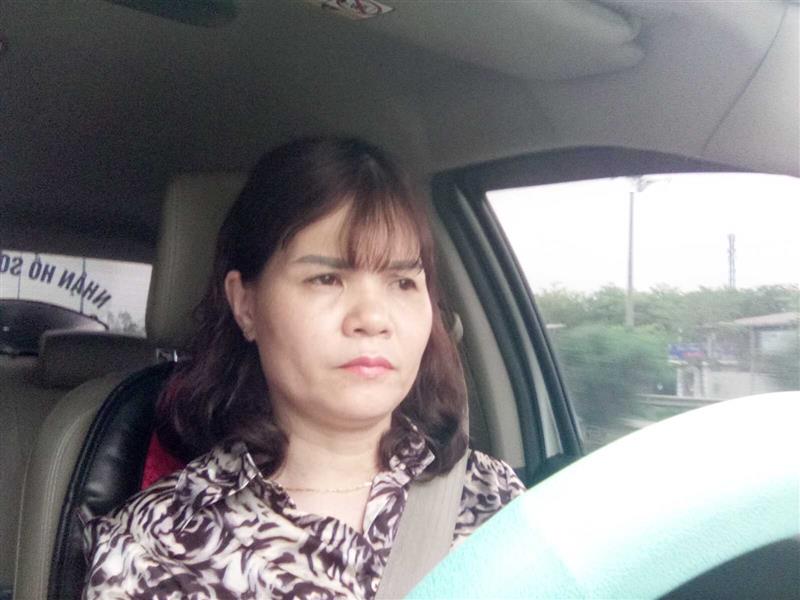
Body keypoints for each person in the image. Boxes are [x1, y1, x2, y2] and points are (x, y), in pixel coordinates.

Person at [82, 137, 525, 599]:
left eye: (402, 282)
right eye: (326, 279)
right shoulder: (156, 549)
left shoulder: (491, 498)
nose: (373, 318)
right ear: (246, 304)